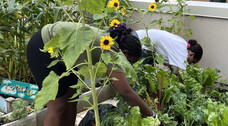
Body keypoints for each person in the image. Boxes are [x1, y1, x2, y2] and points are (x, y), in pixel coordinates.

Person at [26, 21, 154, 126]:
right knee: (58, 106)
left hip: (66, 53)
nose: (128, 66)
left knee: (72, 99)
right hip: (44, 46)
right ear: (125, 53)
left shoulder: (111, 43)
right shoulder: (110, 49)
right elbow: (125, 92)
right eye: (129, 62)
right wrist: (152, 116)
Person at [133, 29, 203, 74]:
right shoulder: (183, 52)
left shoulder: (182, 45)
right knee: (139, 75)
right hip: (141, 41)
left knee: (148, 75)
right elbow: (182, 74)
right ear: (191, 54)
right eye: (193, 62)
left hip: (145, 43)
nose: (190, 64)